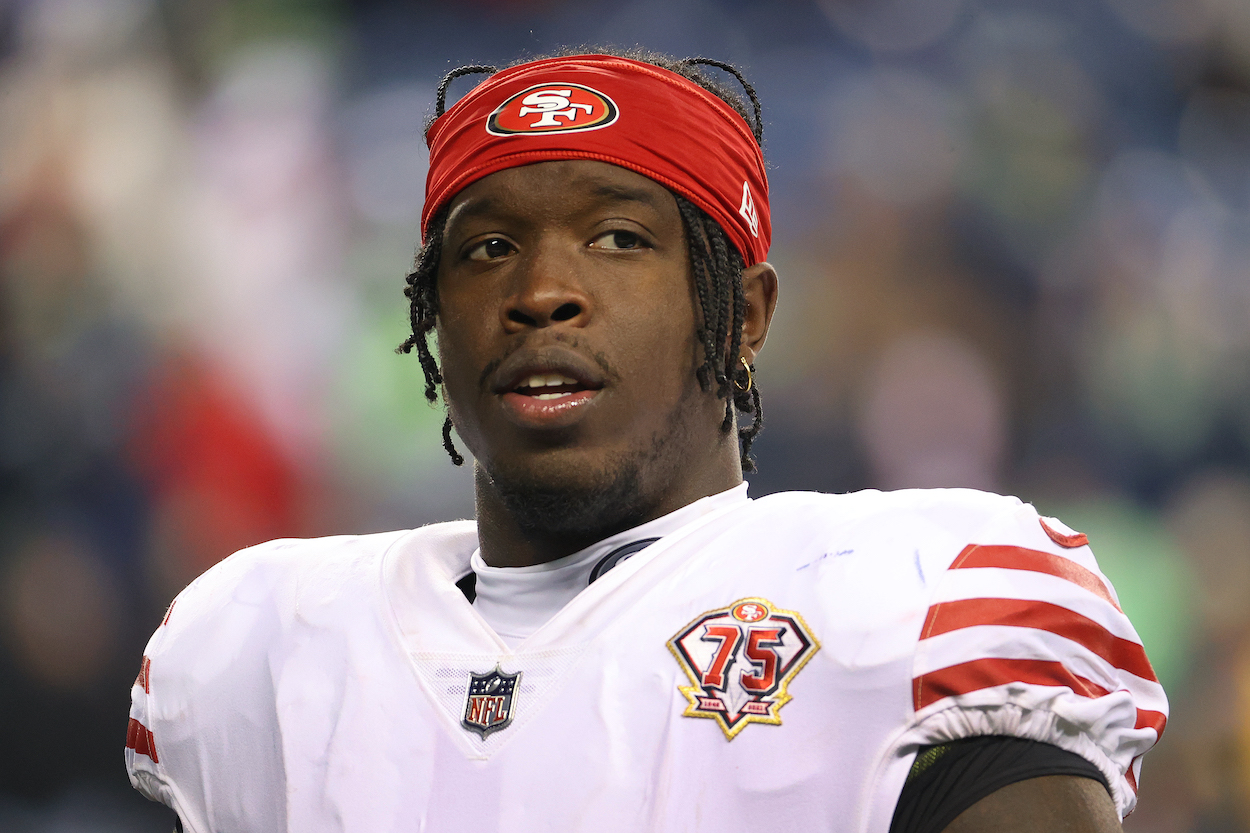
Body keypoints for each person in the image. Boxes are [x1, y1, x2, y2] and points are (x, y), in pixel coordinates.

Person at [125, 50, 1166, 833]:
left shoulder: (914, 595)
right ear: (433, 314)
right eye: (486, 248)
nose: (540, 294)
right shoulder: (256, 640)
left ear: (741, 317)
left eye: (619, 237)